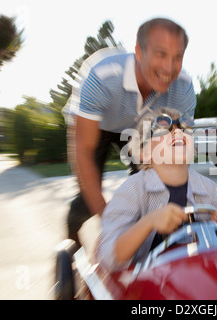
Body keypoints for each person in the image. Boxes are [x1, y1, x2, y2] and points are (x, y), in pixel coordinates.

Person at [63, 18, 196, 246]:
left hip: (139, 127)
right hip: (100, 126)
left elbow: (176, 156)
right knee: (88, 201)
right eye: (161, 54)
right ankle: (72, 233)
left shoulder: (183, 88)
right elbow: (83, 150)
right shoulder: (103, 76)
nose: (170, 68)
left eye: (177, 57)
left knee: (152, 190)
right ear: (139, 52)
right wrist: (110, 223)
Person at [97, 108, 217, 271]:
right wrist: (149, 222)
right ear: (143, 152)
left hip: (202, 272)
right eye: (163, 129)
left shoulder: (207, 188)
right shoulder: (132, 190)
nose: (178, 133)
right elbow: (109, 257)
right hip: (151, 282)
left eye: (184, 129)